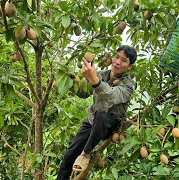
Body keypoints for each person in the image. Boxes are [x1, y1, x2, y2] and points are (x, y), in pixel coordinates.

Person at [57, 45, 137, 180]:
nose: (117, 62)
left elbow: (111, 95)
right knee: (69, 157)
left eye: (123, 60)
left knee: (102, 114)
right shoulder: (101, 74)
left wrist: (94, 80)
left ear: (130, 66)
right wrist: (69, 81)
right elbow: (83, 93)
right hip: (92, 121)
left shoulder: (127, 86)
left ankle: (86, 153)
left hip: (109, 124)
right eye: (116, 57)